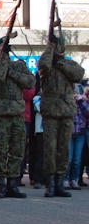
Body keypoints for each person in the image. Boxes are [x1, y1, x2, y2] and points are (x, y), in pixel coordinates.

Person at [0, 37, 35, 198]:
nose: (2, 50)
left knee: (17, 149)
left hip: (16, 114)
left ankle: (12, 182)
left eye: (3, 47)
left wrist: (12, 72)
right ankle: (0, 183)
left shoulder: (18, 65)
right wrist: (4, 59)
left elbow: (30, 81)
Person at [38, 34, 86, 197]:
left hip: (66, 110)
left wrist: (60, 62)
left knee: (63, 149)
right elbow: (42, 64)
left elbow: (78, 74)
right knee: (50, 148)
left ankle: (60, 182)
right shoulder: (47, 65)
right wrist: (49, 47)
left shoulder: (69, 64)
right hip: (51, 110)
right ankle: (50, 183)